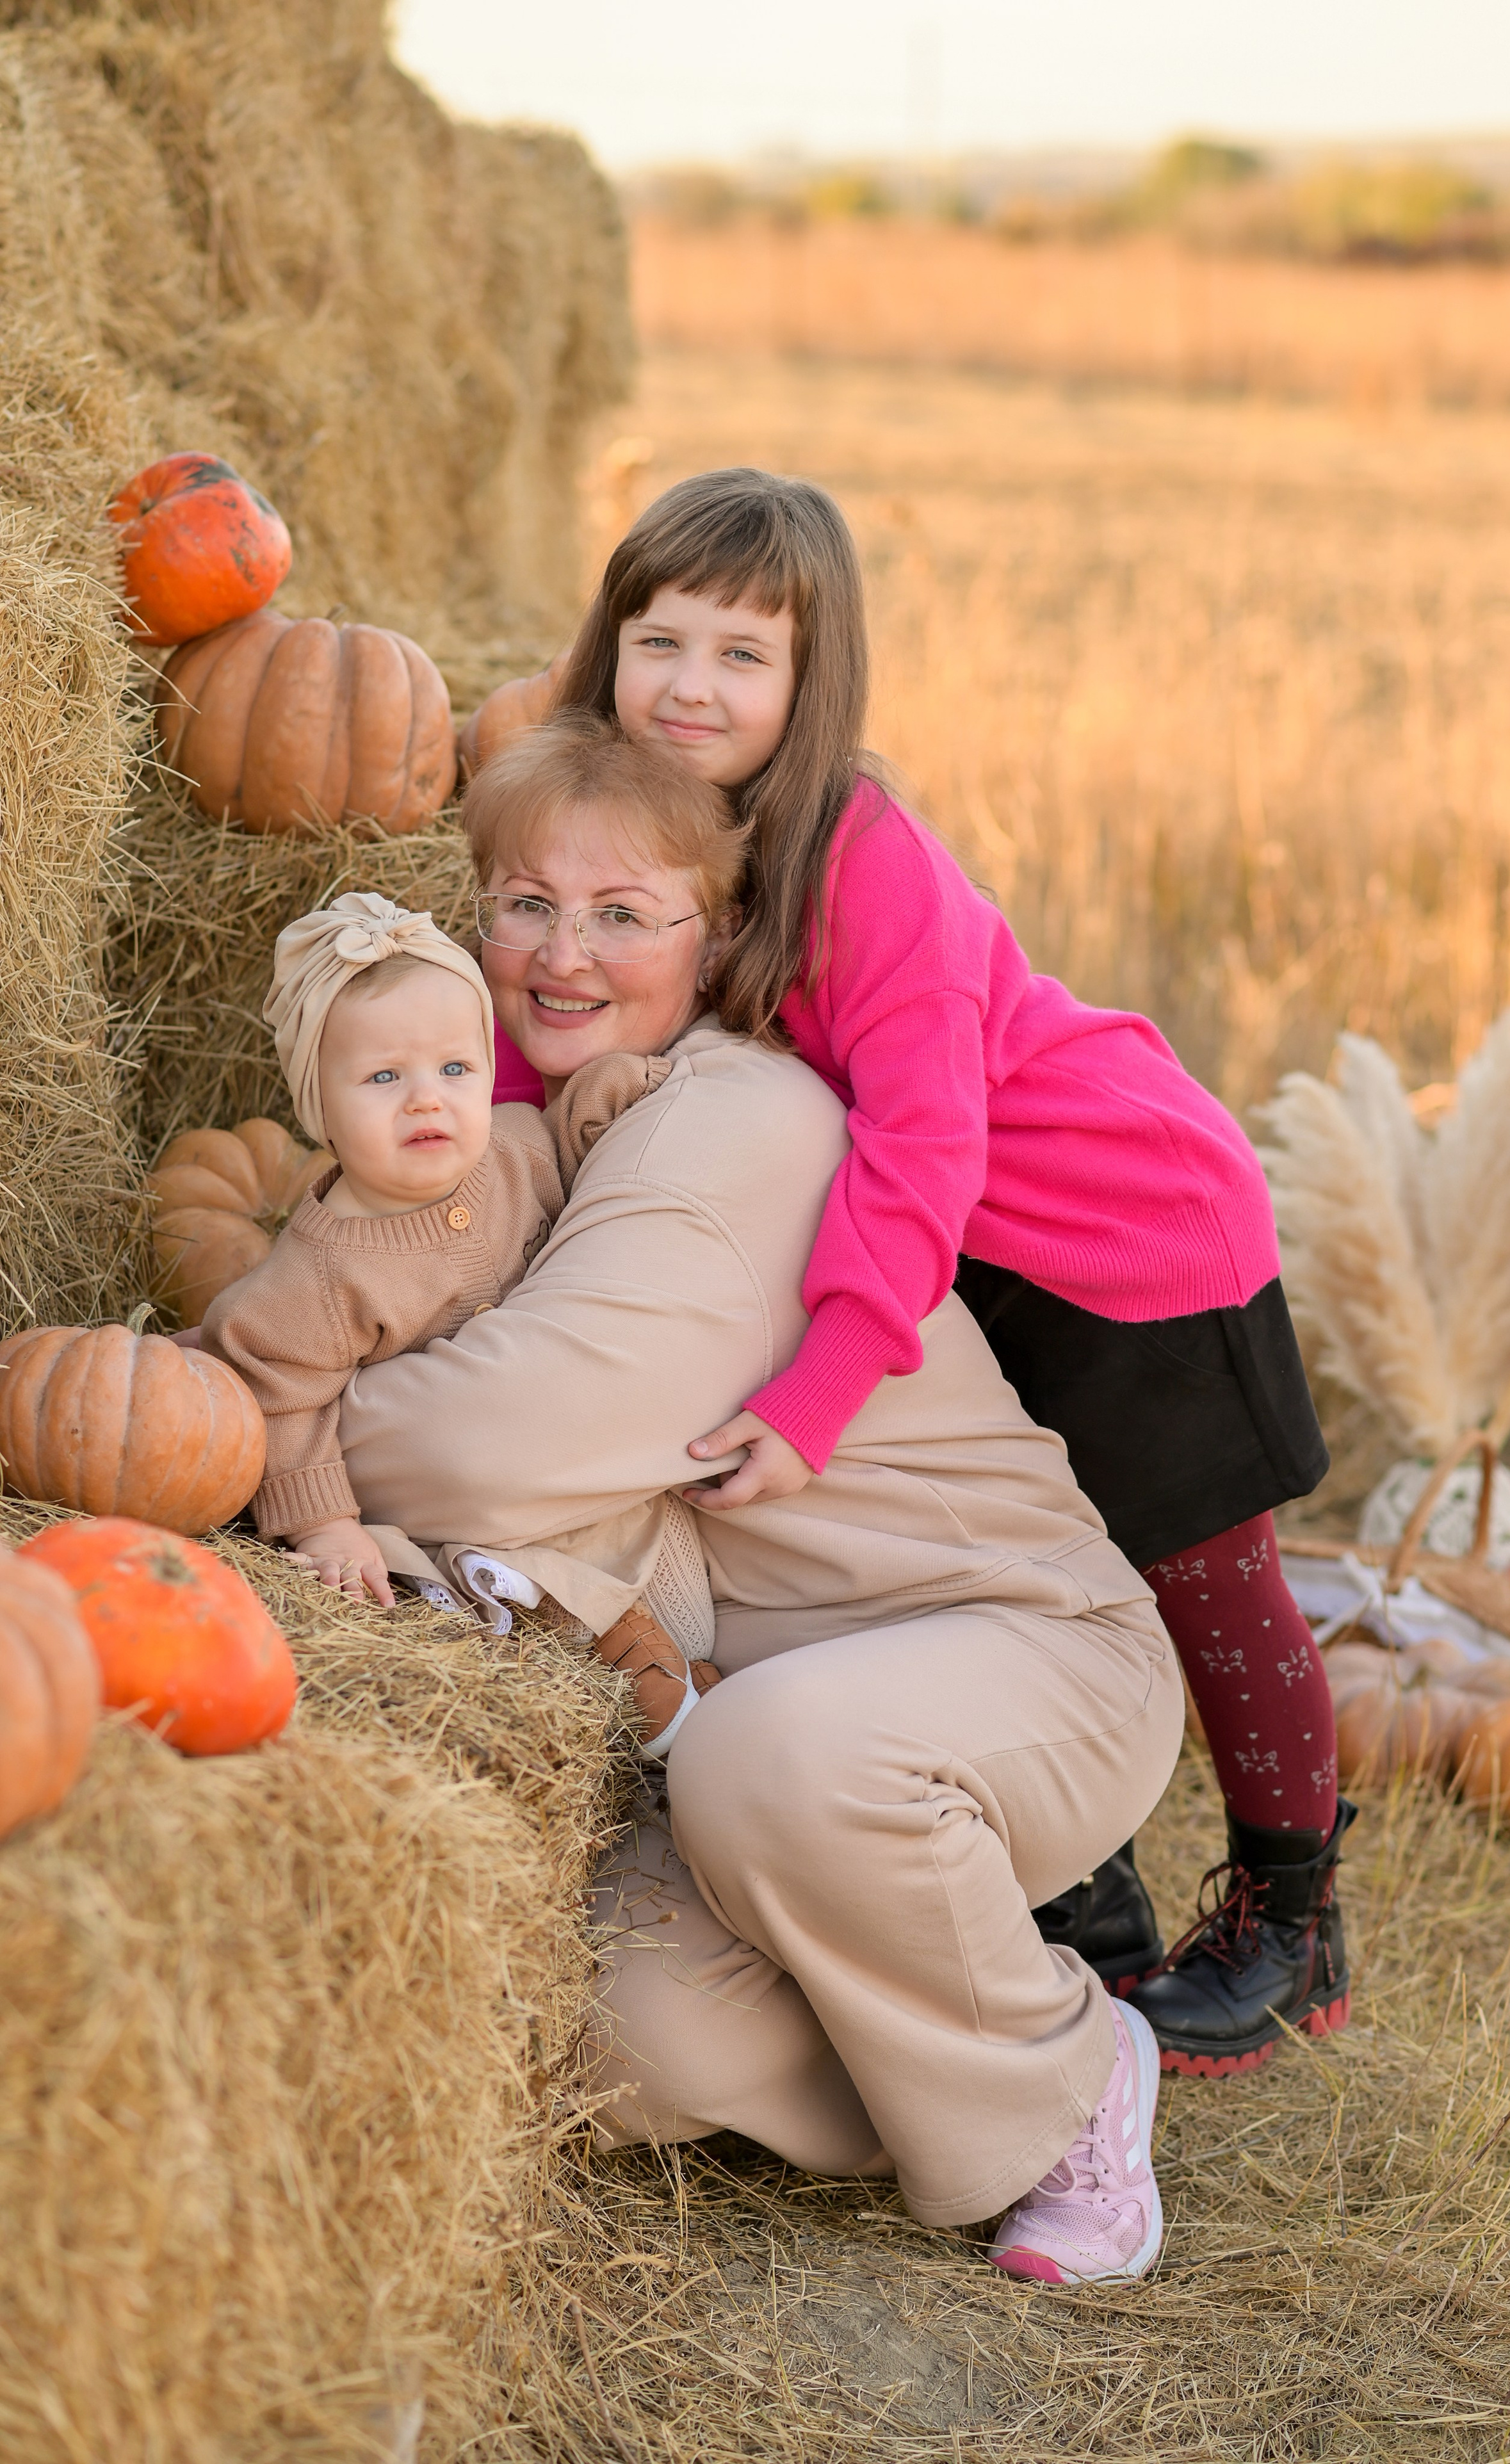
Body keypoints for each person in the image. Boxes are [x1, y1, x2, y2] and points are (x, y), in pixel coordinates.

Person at [519, 466, 1355, 2082]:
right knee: (1025, 1557)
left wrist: (826, 1381)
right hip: (956, 1242)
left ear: (808, 683)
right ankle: (1081, 1911)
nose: (690, 686)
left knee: (1200, 1575)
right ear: (605, 645)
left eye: (742, 656)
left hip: (1124, 1228)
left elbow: (920, 1138)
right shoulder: (631, 826)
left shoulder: (859, 853)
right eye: (659, 640)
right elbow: (554, 981)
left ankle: (1287, 1922)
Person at [331, 713, 1187, 2285]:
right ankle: (946, 2017)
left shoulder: (738, 1122)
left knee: (771, 1758)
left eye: (620, 914)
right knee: (624, 2031)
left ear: (714, 935)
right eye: (524, 904)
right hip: (780, 1733)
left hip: (1025, 1657)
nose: (560, 955)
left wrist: (255, 1427)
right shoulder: (542, 1139)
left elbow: (491, 1446)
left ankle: (1069, 2068)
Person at [193, 885, 714, 1728]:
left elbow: (573, 1138)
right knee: (505, 1575)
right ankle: (655, 1691)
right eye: (385, 1077)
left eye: (455, 1068)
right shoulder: (321, 1272)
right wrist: (324, 1524)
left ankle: (683, 1669)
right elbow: (275, 1389)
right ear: (317, 1105)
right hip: (452, 1495)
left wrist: (632, 1088)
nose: (427, 1098)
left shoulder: (509, 1149)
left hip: (551, 1436)